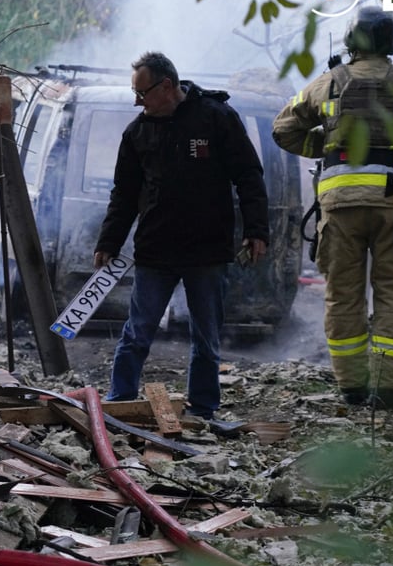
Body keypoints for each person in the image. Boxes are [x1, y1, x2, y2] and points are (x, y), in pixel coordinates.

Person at [271, 6, 393, 410]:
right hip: (392, 203)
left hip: (339, 206)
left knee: (343, 296)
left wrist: (326, 147)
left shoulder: (328, 82)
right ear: (390, 42)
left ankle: (352, 388)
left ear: (349, 41)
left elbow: (282, 129)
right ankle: (389, 390)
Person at [94, 52, 270, 418]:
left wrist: (256, 230)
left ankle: (203, 409)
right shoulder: (137, 132)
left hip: (207, 250)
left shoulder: (216, 117)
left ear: (168, 86)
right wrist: (109, 241)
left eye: (142, 93)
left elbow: (249, 176)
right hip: (156, 250)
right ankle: (120, 398)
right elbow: (123, 194)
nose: (137, 101)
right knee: (137, 331)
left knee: (205, 337)